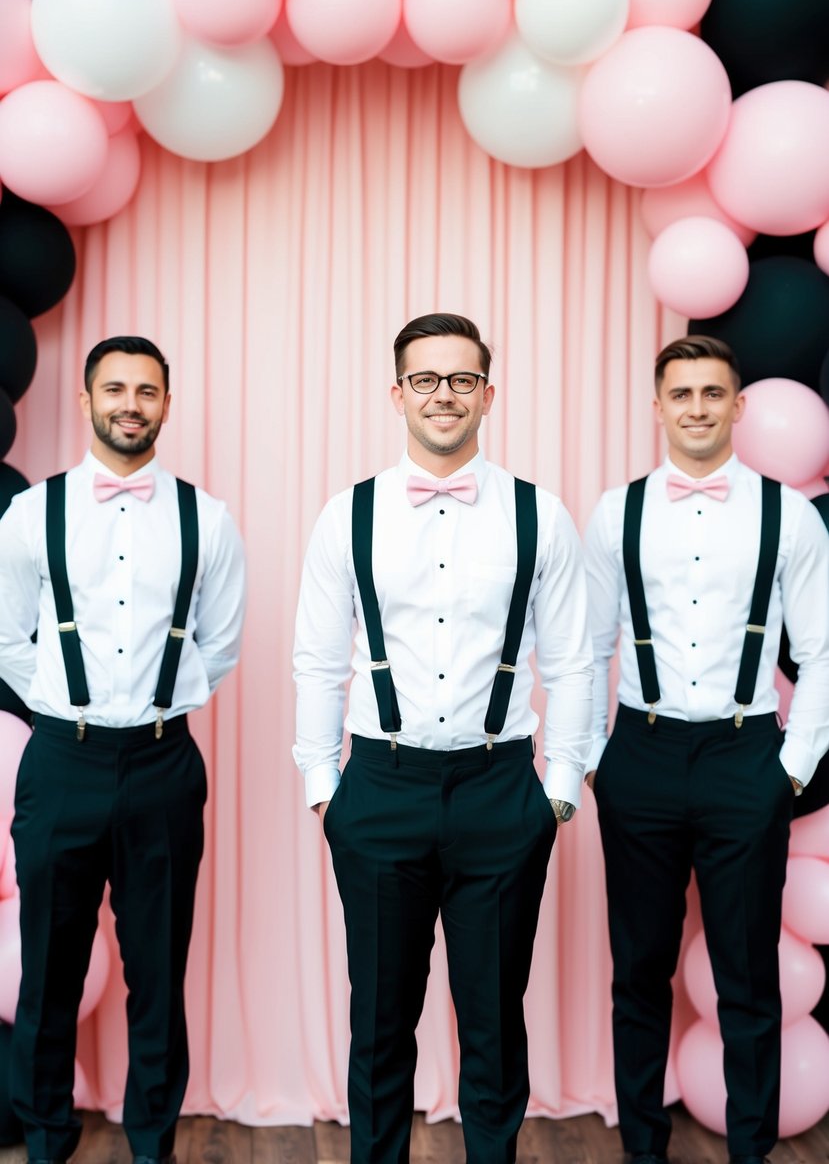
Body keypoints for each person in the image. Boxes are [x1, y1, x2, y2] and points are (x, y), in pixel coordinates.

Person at [293, 312, 593, 1164]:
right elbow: (316, 660)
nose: (443, 395)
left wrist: (560, 788)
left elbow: (572, 661)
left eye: (462, 379)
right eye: (425, 379)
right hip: (379, 789)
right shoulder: (345, 515)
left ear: (488, 394)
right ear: (396, 394)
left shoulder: (541, 514)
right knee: (380, 1023)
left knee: (495, 1023)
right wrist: (325, 790)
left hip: (502, 792)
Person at [0, 336, 246, 1164]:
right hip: (60, 764)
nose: (130, 404)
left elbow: (220, 645)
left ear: (165, 405)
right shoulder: (33, 512)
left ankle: (151, 1145)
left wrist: (155, 708)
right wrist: (66, 706)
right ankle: (45, 1141)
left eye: (146, 391)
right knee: (47, 973)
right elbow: (5, 637)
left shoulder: (205, 518)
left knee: (156, 974)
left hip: (162, 767)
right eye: (114, 389)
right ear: (86, 402)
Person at [584, 335, 829, 1164]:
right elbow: (584, 646)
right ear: (657, 407)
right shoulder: (614, 512)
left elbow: (824, 647)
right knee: (638, 972)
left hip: (743, 757)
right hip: (640, 755)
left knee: (746, 978)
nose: (695, 408)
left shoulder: (787, 514)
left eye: (710, 393)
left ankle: (751, 1151)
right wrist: (589, 759)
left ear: (737, 406)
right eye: (680, 394)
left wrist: (790, 767)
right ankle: (642, 1150)